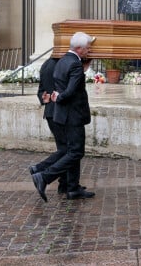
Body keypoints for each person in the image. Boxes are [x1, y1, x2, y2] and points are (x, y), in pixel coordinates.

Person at [31, 32, 96, 202]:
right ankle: (44, 176)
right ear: (79, 48)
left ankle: (71, 188)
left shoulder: (61, 61)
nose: (89, 51)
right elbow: (71, 90)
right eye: (88, 48)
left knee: (70, 150)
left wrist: (55, 96)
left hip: (62, 114)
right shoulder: (74, 64)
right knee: (75, 151)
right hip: (72, 115)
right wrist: (58, 97)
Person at [28, 57, 69, 194]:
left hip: (51, 112)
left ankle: (64, 184)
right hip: (59, 113)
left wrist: (43, 98)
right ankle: (40, 169)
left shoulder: (47, 64)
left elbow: (41, 91)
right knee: (68, 150)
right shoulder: (62, 64)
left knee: (64, 149)